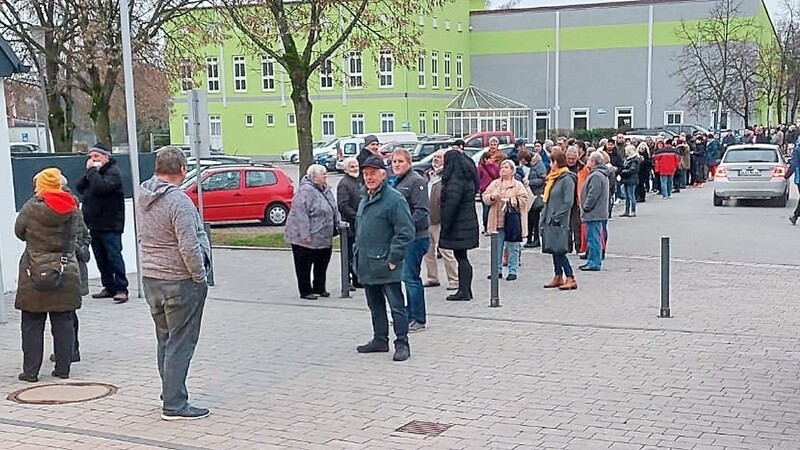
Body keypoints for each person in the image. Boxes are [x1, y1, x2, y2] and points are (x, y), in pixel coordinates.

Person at [138, 146, 211, 420]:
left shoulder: (143, 196)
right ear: (182, 169)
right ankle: (175, 404)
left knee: (165, 339)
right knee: (180, 343)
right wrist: (199, 277)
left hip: (152, 279)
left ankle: (168, 393)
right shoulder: (179, 202)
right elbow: (189, 246)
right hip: (179, 281)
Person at [15, 168, 83, 382]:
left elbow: (19, 232)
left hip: (33, 270)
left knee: (32, 324)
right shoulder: (73, 207)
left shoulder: (30, 207)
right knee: (63, 321)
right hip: (65, 268)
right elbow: (77, 234)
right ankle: (63, 369)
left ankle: (31, 372)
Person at [354, 156, 415, 362]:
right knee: (375, 304)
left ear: (383, 174)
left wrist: (393, 258)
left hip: (387, 263)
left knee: (396, 306)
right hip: (368, 262)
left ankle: (402, 343)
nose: (369, 177)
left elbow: (405, 232)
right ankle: (380, 339)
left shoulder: (394, 199)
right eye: (366, 173)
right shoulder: (365, 198)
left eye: (373, 173)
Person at [75, 143, 128, 303]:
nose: (92, 160)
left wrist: (92, 171)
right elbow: (79, 187)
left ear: (106, 157)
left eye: (96, 157)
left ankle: (121, 288)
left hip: (110, 225)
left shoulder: (113, 173)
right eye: (90, 157)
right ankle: (109, 286)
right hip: (94, 224)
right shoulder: (93, 175)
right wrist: (89, 173)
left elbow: (101, 188)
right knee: (101, 258)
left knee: (114, 257)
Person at [48, 176, 90, 365]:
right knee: (67, 311)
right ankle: (70, 349)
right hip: (71, 264)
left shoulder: (65, 206)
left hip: (68, 266)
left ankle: (69, 350)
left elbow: (82, 236)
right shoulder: (71, 204)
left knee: (65, 312)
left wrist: (78, 250)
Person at [284, 164, 340, 300]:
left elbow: (334, 207)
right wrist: (305, 234)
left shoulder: (326, 189)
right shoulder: (305, 191)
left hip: (323, 235)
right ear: (314, 177)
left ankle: (319, 288)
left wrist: (338, 223)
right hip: (305, 237)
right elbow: (300, 214)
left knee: (322, 261)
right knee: (304, 265)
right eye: (323, 174)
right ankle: (305, 291)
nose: (326, 176)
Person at [390, 149, 430, 332]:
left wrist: (404, 226)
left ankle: (418, 318)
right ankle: (408, 315)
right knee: (405, 277)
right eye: (394, 161)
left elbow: (421, 211)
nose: (396, 164)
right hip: (402, 238)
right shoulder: (396, 181)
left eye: (400, 161)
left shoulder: (416, 181)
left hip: (416, 237)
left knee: (411, 277)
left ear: (409, 162)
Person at [439, 150, 480, 301]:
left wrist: (445, 225)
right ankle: (465, 290)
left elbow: (451, 205)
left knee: (461, 258)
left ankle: (464, 290)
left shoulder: (455, 182)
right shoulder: (468, 178)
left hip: (459, 225)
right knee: (462, 257)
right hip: (467, 223)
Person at [483, 159, 528, 281]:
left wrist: (512, 200)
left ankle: (513, 270)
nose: (503, 169)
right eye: (502, 167)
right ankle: (496, 270)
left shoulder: (517, 185)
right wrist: (492, 197)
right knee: (496, 247)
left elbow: (524, 200)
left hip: (512, 220)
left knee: (513, 247)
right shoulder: (495, 184)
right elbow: (485, 196)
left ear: (512, 171)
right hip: (497, 220)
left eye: (506, 167)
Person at [541, 150, 578, 291]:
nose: (550, 164)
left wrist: (556, 217)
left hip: (559, 220)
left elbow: (568, 202)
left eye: (552, 161)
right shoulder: (554, 178)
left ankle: (570, 277)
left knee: (559, 249)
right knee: (553, 248)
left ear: (557, 162)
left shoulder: (567, 179)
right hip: (550, 217)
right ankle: (558, 275)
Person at [423, 150, 458, 291]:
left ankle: (454, 279)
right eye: (435, 157)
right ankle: (432, 277)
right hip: (426, 219)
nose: (436, 159)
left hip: (441, 219)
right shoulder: (427, 175)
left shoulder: (448, 176)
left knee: (446, 251)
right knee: (428, 250)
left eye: (439, 157)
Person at [579, 152, 611, 272]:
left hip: (594, 213)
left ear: (593, 162)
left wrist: (586, 207)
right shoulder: (599, 174)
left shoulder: (596, 176)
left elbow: (593, 194)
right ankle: (592, 260)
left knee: (594, 238)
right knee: (592, 237)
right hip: (596, 212)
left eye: (589, 160)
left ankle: (594, 262)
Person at [336, 157, 362, 289]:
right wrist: (356, 216)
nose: (355, 168)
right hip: (350, 226)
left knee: (358, 254)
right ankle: (348, 280)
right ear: (346, 169)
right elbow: (343, 205)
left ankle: (358, 278)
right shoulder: (344, 184)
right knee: (349, 255)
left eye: (356, 165)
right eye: (352, 166)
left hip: (360, 225)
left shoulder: (359, 181)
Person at [522, 151, 547, 248]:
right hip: (529, 193)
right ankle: (529, 239)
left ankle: (536, 239)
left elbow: (542, 179)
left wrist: (530, 182)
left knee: (534, 217)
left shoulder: (539, 164)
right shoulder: (529, 166)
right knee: (529, 217)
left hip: (536, 194)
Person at [477, 150, 500, 233]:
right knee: (486, 210)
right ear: (486, 159)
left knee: (494, 210)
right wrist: (479, 188)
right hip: (484, 191)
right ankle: (486, 227)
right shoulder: (480, 167)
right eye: (491, 158)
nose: (492, 160)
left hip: (494, 190)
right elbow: (478, 178)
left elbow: (498, 177)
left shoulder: (496, 166)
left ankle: (493, 226)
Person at [619, 145, 641, 217]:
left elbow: (633, 169)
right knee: (627, 196)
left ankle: (633, 211)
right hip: (626, 179)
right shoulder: (628, 159)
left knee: (631, 195)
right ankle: (627, 210)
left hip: (631, 179)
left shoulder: (635, 160)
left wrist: (623, 171)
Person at [785, 141, 800, 225]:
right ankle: (795, 216)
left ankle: (795, 216)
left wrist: (786, 176)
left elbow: (793, 164)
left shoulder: (798, 149)